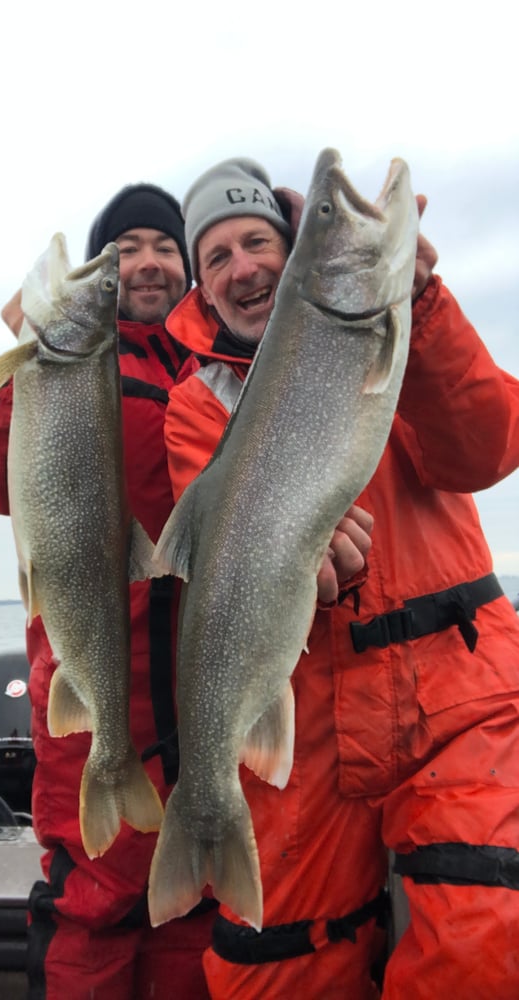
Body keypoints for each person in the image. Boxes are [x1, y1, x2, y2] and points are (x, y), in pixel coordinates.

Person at [163, 158, 519, 998]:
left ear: (292, 262)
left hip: (454, 689)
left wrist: (419, 299)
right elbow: (214, 552)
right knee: (273, 967)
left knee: (481, 942)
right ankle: (201, 819)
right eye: (216, 257)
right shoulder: (194, 404)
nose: (243, 265)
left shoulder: (395, 325)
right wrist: (294, 563)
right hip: (307, 710)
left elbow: (485, 447)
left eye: (259, 241)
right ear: (203, 293)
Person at [0, 185, 216, 999]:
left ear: (187, 266)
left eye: (163, 246)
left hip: (202, 687)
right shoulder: (59, 366)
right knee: (91, 912)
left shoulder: (222, 365)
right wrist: (17, 371)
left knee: (192, 908)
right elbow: (5, 488)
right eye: (122, 252)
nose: (145, 264)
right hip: (86, 675)